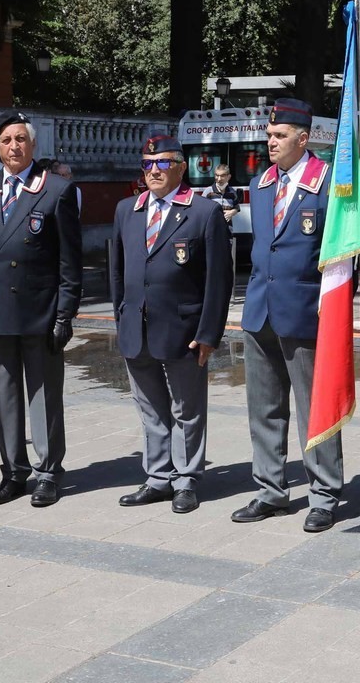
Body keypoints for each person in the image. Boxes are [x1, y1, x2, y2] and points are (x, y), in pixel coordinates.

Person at [231, 97, 342, 533]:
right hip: (260, 309)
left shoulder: (330, 183)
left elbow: (338, 255)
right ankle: (271, 490)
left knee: (315, 407)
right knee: (263, 407)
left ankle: (325, 493)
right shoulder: (261, 185)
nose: (270, 142)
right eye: (269, 134)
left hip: (306, 312)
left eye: (279, 136)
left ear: (302, 138)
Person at [110, 135, 233, 514]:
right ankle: (157, 477)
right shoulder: (126, 210)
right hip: (138, 327)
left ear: (181, 167)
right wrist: (121, 317)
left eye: (163, 163)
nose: (154, 171)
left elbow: (218, 280)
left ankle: (186, 479)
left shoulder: (202, 212)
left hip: (184, 331)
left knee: (186, 409)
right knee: (150, 408)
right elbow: (116, 272)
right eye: (148, 164)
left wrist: (209, 333)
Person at [0, 110, 82, 508]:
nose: (14, 146)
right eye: (6, 140)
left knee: (43, 397)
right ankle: (13, 471)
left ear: (33, 145)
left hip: (39, 313)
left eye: (21, 139)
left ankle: (47, 471)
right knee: (4, 397)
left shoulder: (55, 190)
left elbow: (69, 262)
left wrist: (64, 314)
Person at [203, 164, 241, 272]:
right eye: (216, 175)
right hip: (212, 232)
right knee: (211, 261)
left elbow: (237, 207)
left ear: (228, 177)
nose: (219, 179)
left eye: (222, 176)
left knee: (226, 261)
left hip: (227, 232)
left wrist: (232, 212)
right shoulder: (208, 192)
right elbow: (201, 210)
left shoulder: (232, 192)